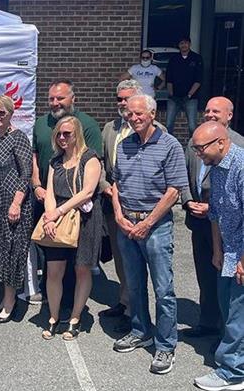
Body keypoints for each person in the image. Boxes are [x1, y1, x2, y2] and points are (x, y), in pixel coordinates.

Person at [112, 94, 188, 375]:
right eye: (129, 114)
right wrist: (119, 215)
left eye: (138, 114)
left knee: (163, 289)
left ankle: (166, 346)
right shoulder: (125, 144)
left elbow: (174, 190)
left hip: (155, 227)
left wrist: (148, 222)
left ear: (152, 114)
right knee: (134, 284)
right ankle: (140, 330)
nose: (132, 118)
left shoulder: (170, 145)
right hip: (127, 225)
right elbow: (117, 183)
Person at [30, 80, 102, 306]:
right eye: (51, 98)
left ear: (73, 99)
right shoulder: (41, 123)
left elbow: (93, 162)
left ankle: (70, 300)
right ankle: (51, 295)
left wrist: (64, 206)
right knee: (48, 248)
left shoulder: (87, 124)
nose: (55, 103)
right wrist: (36, 184)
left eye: (60, 98)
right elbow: (35, 155)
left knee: (74, 254)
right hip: (46, 196)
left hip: (75, 204)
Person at [182, 97, 244, 342]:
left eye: (215, 111)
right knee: (208, 277)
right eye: (206, 110)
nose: (209, 114)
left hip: (232, 231)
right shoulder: (196, 140)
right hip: (202, 223)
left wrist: (213, 206)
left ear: (229, 115)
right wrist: (188, 200)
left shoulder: (237, 149)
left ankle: (229, 339)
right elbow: (184, 175)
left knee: (234, 292)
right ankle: (209, 323)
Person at [191, 122, 244, 391]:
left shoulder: (242, 167)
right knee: (227, 306)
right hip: (227, 249)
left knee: (237, 312)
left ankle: (233, 372)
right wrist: (217, 249)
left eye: (201, 148)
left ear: (221, 142)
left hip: (241, 251)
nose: (198, 154)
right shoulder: (217, 168)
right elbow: (215, 213)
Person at [40, 116, 103, 340]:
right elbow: (49, 192)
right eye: (59, 133)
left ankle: (75, 318)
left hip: (84, 219)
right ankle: (54, 316)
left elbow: (87, 192)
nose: (62, 137)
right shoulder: (55, 161)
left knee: (82, 269)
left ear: (77, 134)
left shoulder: (90, 158)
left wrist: (58, 211)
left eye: (67, 133)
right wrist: (49, 217)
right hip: (57, 219)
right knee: (54, 271)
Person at [0, 95, 33, 324]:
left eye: (2, 112)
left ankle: (10, 302)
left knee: (11, 252)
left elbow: (26, 173)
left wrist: (16, 203)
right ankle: (5, 296)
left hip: (13, 205)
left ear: (11, 114)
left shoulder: (18, 138)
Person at [98, 79, 144, 331]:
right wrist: (105, 187)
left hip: (140, 208)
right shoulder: (109, 129)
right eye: (120, 99)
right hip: (112, 204)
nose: (123, 103)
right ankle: (124, 301)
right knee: (120, 258)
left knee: (138, 262)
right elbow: (101, 164)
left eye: (127, 98)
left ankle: (137, 312)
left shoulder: (153, 128)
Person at [165, 35, 203, 136]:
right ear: (179, 45)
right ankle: (169, 148)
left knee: (192, 126)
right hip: (174, 98)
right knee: (168, 125)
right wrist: (171, 94)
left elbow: (198, 80)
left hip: (191, 98)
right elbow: (169, 79)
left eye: (186, 43)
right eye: (181, 43)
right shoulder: (173, 59)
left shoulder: (197, 58)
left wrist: (189, 95)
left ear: (189, 44)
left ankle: (193, 149)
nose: (184, 45)